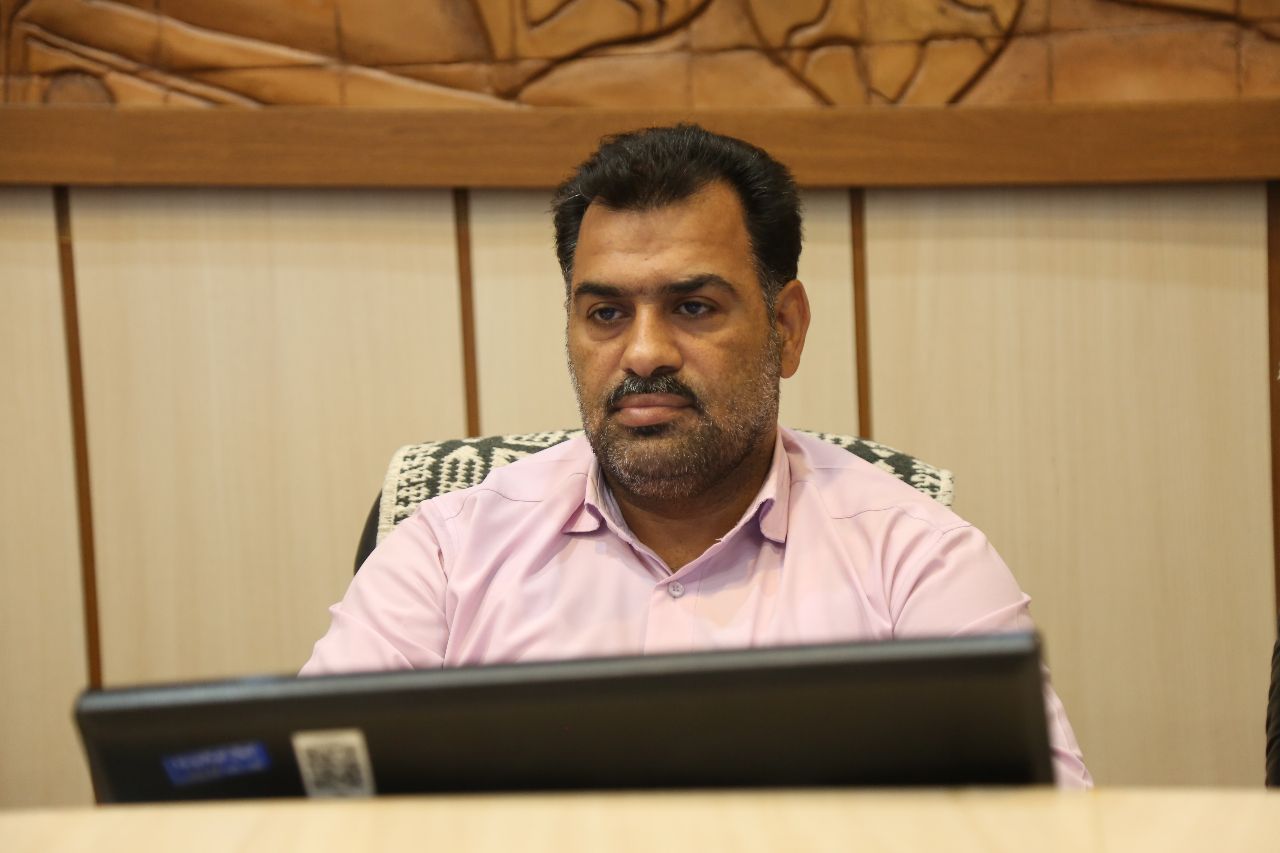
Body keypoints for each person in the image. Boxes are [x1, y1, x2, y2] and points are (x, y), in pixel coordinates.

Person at [301, 123, 1091, 788]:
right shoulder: (447, 554)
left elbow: (1045, 825)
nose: (644, 352)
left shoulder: (914, 561)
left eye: (692, 306)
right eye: (606, 312)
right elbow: (305, 802)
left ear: (786, 328)